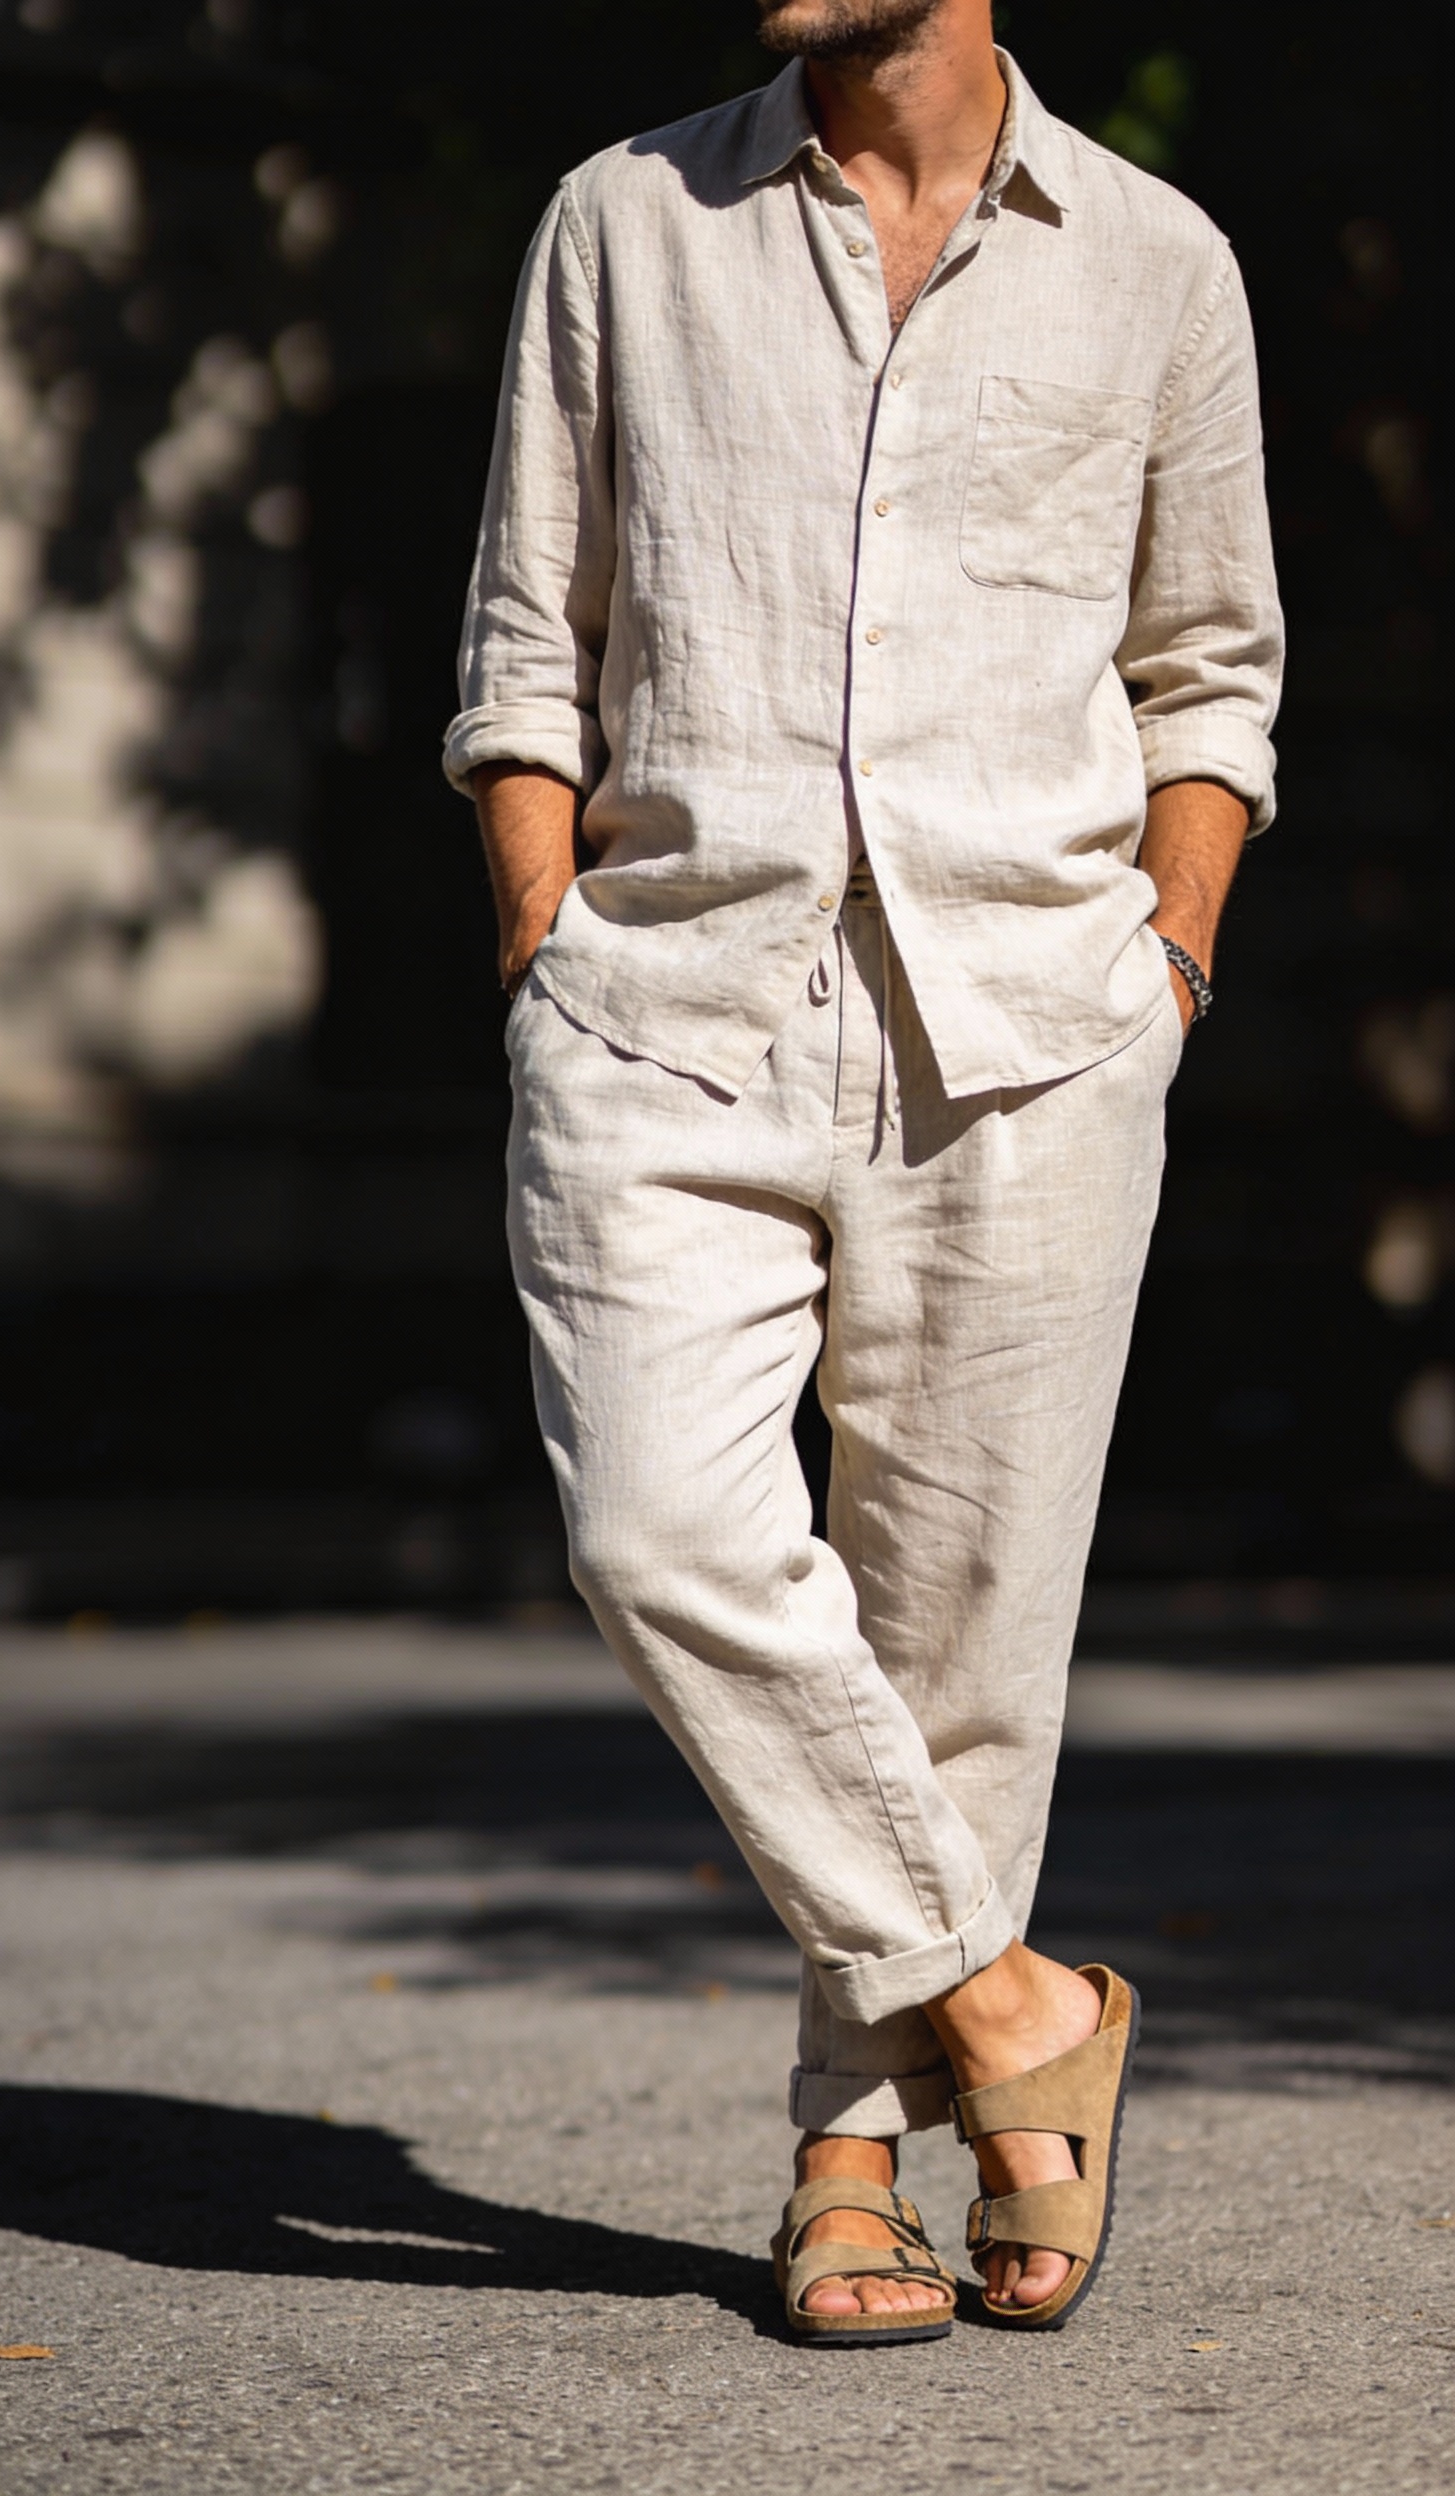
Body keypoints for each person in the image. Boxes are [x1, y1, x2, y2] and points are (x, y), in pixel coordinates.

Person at [444, 0, 1281, 2343]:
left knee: (957, 1648)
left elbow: (1209, 670)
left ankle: (847, 2155)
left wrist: (1169, 962)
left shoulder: (1158, 262)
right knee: (658, 1532)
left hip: (1030, 1031)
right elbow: (525, 643)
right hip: (666, 1010)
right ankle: (1021, 2014)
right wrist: (543, 934)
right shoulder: (624, 224)